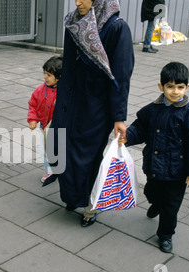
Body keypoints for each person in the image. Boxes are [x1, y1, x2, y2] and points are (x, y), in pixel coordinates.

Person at [45, 0, 134, 227]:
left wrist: (119, 116)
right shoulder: (74, 22)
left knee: (87, 156)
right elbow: (68, 65)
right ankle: (73, 196)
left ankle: (90, 207)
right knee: (60, 147)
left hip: (96, 106)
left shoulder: (116, 27)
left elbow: (121, 75)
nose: (78, 2)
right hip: (71, 101)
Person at [120, 62, 189, 253]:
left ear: (187, 87)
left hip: (177, 173)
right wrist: (128, 136)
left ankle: (166, 235)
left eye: (180, 87)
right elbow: (140, 128)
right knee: (151, 192)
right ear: (161, 87)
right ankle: (156, 204)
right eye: (170, 86)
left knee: (171, 207)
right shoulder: (152, 110)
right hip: (154, 167)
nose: (175, 91)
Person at [27, 56, 63, 183]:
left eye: (49, 75)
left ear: (59, 77)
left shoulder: (64, 92)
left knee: (60, 150)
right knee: (46, 152)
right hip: (45, 128)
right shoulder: (39, 91)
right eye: (44, 74)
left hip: (61, 129)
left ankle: (61, 170)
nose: (45, 77)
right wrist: (32, 119)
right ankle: (49, 171)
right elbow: (33, 105)